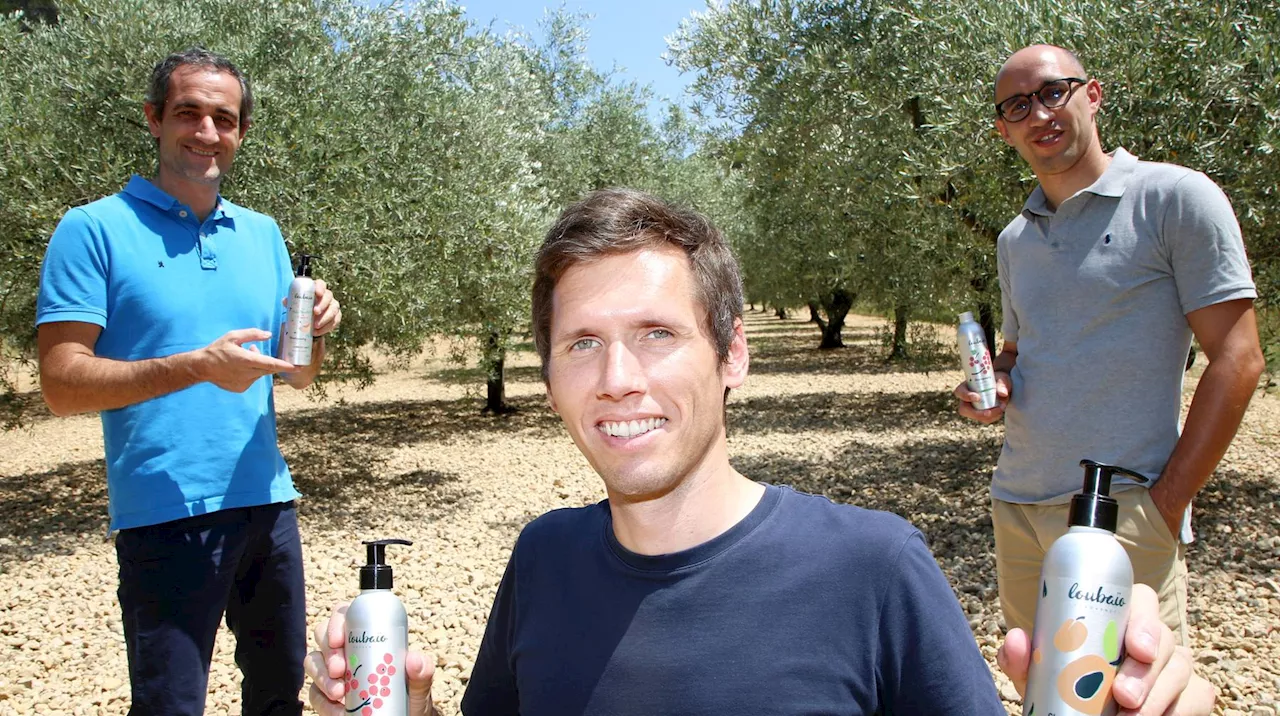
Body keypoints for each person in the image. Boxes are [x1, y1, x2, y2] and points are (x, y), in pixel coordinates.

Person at [306, 188, 1212, 715]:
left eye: (657, 333)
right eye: (581, 342)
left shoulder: (872, 568)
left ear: (732, 354)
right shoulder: (542, 558)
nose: (616, 377)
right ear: (548, 373)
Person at [36, 48, 341, 715]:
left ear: (241, 132)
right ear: (153, 119)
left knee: (278, 695)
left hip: (268, 504)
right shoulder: (92, 230)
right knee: (171, 703)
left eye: (224, 119)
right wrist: (195, 367)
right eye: (188, 113)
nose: (207, 133)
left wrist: (315, 327)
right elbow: (61, 384)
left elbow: (298, 376)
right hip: (163, 514)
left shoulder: (262, 234)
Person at [954, 45, 1264, 643]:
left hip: (1122, 506)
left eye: (1053, 92)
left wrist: (1167, 503)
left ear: (1091, 95)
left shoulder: (1174, 198)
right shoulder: (1015, 238)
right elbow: (1019, 353)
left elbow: (1240, 357)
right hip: (1018, 504)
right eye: (1018, 105)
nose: (1039, 113)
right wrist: (992, 385)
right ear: (1003, 130)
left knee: (1133, 696)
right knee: (1040, 686)